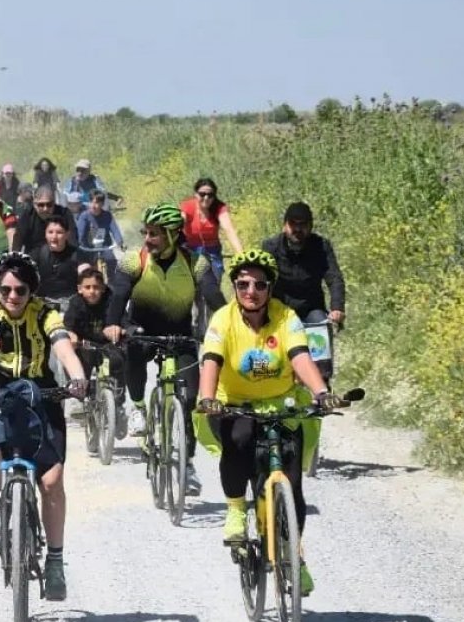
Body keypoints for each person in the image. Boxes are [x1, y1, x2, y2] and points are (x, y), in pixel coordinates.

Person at [194, 249, 342, 596]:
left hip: (281, 403)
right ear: (234, 286)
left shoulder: (285, 316)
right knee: (241, 439)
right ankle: (234, 510)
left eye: (260, 284)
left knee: (292, 482)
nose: (251, 291)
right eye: (243, 283)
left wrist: (320, 391)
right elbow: (211, 359)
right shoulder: (222, 319)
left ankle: (295, 557)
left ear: (270, 288)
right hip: (233, 404)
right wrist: (207, 397)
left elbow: (300, 356)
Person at [0, 252, 88, 602]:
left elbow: (63, 348)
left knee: (52, 481)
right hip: (0, 391)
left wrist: (77, 376)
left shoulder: (46, 313)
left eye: (21, 290)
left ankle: (55, 562)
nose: (13, 296)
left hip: (42, 393)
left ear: (31, 291)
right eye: (6, 289)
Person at [102, 204, 224, 496]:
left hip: (180, 334)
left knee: (192, 398)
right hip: (140, 328)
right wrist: (112, 325)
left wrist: (230, 327)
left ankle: (188, 463)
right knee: (132, 352)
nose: (147, 238)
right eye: (145, 232)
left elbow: (214, 298)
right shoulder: (135, 260)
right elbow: (118, 294)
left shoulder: (196, 263)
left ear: (172, 234)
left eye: (154, 234)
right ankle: (139, 409)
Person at [261, 201, 346, 337]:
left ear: (310, 226)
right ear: (284, 226)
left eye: (303, 225)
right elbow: (261, 278)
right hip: (279, 309)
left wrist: (337, 308)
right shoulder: (271, 247)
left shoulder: (321, 247)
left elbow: (334, 278)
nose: (298, 229)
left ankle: (323, 359)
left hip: (311, 309)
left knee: (323, 334)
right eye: (293, 224)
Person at [64, 268, 127, 429]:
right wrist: (71, 335)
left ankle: (118, 406)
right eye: (88, 287)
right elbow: (68, 325)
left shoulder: (111, 300)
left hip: (107, 345)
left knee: (118, 361)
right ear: (80, 289)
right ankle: (77, 397)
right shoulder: (76, 303)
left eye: (97, 287)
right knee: (73, 357)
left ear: (103, 288)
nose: (92, 291)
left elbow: (124, 321)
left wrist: (120, 329)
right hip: (85, 345)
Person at [180, 178, 243, 280]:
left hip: (212, 252)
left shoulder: (219, 207)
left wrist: (241, 255)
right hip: (191, 251)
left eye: (210, 195)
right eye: (202, 194)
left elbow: (229, 229)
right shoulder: (188, 206)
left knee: (212, 284)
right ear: (196, 194)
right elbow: (179, 222)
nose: (206, 198)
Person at [30, 215, 94, 307]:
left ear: (67, 234)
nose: (54, 237)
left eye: (59, 232)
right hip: (43, 303)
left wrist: (85, 272)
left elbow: (86, 271)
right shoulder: (37, 254)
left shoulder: (77, 254)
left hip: (70, 303)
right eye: (50, 232)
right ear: (45, 234)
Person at [75, 189, 126, 279]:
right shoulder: (84, 216)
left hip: (105, 246)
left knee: (111, 261)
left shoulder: (107, 215)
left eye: (97, 203)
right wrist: (77, 244)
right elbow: (80, 233)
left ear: (102, 204)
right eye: (91, 202)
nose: (93, 206)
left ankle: (112, 283)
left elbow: (115, 230)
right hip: (88, 248)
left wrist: (120, 242)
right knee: (84, 269)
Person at [12, 185, 77, 254]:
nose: (45, 209)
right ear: (34, 204)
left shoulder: (64, 214)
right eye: (41, 205)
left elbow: (72, 240)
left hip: (61, 258)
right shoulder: (27, 216)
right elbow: (17, 243)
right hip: (34, 257)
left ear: (54, 203)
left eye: (49, 204)